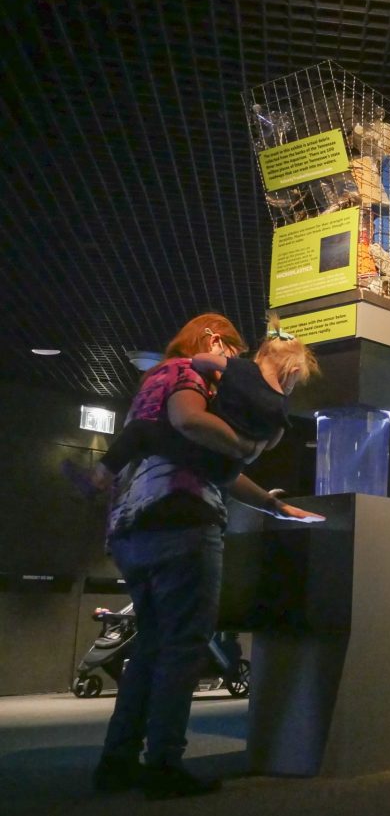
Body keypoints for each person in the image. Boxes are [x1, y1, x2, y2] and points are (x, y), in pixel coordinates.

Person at [93, 313, 324, 800]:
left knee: (153, 646)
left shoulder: (152, 387)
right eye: (232, 351)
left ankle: (117, 761)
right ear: (214, 341)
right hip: (181, 518)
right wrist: (245, 445)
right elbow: (192, 426)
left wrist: (271, 503)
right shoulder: (187, 375)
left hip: (132, 526)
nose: (235, 363)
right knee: (183, 646)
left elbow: (200, 458)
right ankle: (163, 763)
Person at [72, 314, 319, 491]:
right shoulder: (281, 402)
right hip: (218, 476)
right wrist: (249, 448)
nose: (238, 358)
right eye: (236, 351)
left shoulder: (222, 370)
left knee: (139, 432)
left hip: (152, 497)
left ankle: (98, 478)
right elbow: (270, 442)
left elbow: (189, 420)